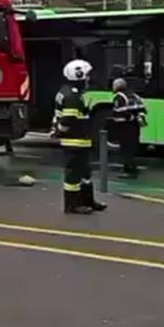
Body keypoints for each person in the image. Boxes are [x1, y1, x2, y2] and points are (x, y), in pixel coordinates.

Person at [53, 59, 106, 214]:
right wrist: (61, 130)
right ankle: (72, 205)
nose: (89, 78)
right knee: (74, 174)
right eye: (87, 75)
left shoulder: (68, 91)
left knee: (85, 172)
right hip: (75, 141)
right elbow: (68, 119)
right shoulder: (73, 96)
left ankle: (88, 201)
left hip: (80, 140)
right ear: (79, 75)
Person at [110, 77, 147, 178]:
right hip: (135, 126)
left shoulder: (119, 97)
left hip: (125, 127)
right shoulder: (135, 95)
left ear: (117, 87)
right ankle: (131, 168)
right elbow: (143, 110)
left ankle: (129, 171)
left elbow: (118, 113)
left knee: (126, 149)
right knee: (132, 148)